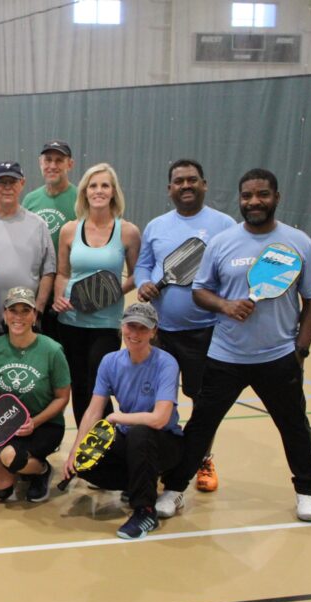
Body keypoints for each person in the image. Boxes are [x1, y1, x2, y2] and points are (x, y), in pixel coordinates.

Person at [167, 168, 311, 523]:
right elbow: (201, 291)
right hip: (225, 356)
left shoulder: (299, 244)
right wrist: (225, 305)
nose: (254, 201)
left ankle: (307, 492)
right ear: (240, 199)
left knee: (294, 426)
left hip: (278, 357)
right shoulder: (223, 242)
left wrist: (300, 350)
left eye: (262, 194)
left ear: (276, 198)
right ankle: (175, 489)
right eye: (248, 195)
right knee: (202, 425)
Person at [135, 159, 236, 493]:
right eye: (179, 181)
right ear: (169, 189)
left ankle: (203, 459)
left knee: (203, 404)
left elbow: (232, 274)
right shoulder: (156, 226)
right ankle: (159, 459)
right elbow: (144, 265)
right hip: (161, 334)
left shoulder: (224, 225)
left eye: (193, 180)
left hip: (207, 333)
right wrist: (145, 282)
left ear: (204, 184)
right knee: (158, 401)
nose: (186, 186)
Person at [64, 302, 185, 540]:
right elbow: (93, 411)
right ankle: (139, 484)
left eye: (143, 328)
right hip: (131, 439)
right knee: (88, 463)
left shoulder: (166, 362)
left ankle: (145, 511)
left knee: (141, 432)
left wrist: (118, 417)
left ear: (153, 332)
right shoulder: (110, 361)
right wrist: (75, 450)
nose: (135, 334)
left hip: (164, 442)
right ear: (122, 327)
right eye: (131, 326)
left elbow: (160, 419)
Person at [52, 162, 141, 426]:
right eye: (93, 186)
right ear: (85, 192)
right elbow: (63, 274)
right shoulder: (70, 230)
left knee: (99, 385)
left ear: (114, 192)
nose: (98, 191)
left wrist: (112, 293)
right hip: (71, 321)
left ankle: (107, 448)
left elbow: (137, 275)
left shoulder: (128, 232)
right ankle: (85, 448)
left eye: (105, 185)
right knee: (79, 385)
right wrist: (59, 298)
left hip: (106, 322)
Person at [0, 287, 70, 503]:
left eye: (25, 311)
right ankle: (18, 466)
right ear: (4, 314)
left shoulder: (52, 350)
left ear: (34, 315)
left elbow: (62, 397)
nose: (18, 317)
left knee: (9, 457)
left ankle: (40, 470)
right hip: (4, 421)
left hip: (42, 425)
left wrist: (34, 422)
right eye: (13, 310)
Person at [0, 161, 55, 335]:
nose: (7, 187)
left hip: (25, 321)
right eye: (1, 182)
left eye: (12, 182)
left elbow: (48, 271)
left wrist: (38, 309)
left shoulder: (38, 226)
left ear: (22, 184)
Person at [22, 140, 78, 340]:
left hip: (65, 296)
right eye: (48, 160)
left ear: (69, 164)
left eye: (59, 160)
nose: (52, 166)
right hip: (35, 291)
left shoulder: (80, 200)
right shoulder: (31, 199)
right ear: (40, 162)